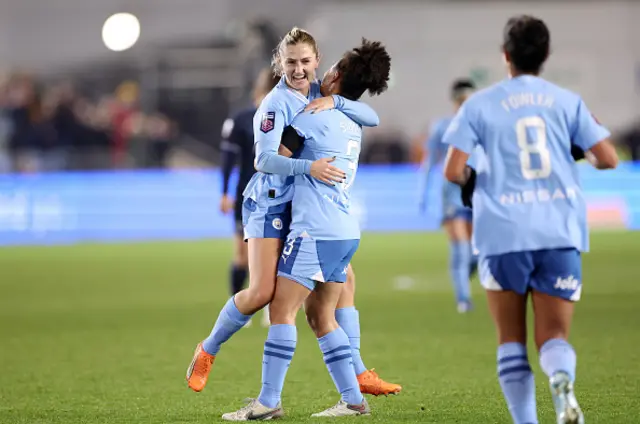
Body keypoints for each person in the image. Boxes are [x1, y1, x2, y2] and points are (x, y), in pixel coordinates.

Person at [187, 27, 400, 397]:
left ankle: (359, 370)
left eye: (305, 61)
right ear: (279, 64)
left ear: (318, 62)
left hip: (303, 208)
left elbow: (370, 115)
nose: (299, 69)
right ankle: (207, 349)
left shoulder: (323, 94)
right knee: (260, 294)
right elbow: (264, 160)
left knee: (344, 279)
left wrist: (337, 103)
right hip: (269, 203)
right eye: (291, 63)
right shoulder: (275, 103)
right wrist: (310, 169)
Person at [442, 15, 618, 424]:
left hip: (502, 231)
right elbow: (606, 158)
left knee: (511, 341)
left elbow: (453, 171)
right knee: (553, 337)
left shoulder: (479, 104)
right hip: (559, 229)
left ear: (506, 56)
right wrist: (573, 152)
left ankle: (526, 421)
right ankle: (560, 377)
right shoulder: (566, 101)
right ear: (546, 56)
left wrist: (473, 180)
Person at [219, 68, 280, 328]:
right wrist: (224, 192)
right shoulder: (242, 120)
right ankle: (238, 307)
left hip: (276, 195)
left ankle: (271, 306)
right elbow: (228, 159)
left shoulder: (284, 117)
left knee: (273, 255)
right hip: (247, 196)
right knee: (242, 255)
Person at [419, 78, 477, 313]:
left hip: (476, 191)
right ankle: (463, 299)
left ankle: (463, 276)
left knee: (476, 253)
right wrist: (422, 193)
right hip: (452, 194)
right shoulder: (442, 126)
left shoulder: (480, 125)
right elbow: (429, 161)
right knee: (461, 248)